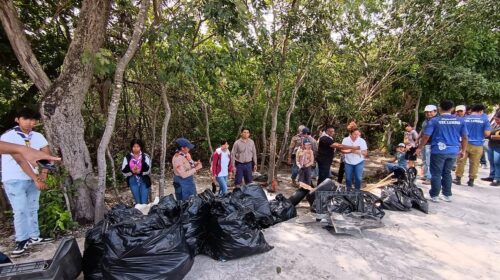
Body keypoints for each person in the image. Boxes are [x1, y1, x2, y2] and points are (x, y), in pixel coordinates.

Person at [1, 108, 54, 255]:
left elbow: (46, 156)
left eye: (33, 120)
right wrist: (36, 178)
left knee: (32, 208)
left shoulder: (37, 136)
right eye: (26, 119)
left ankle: (34, 236)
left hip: (34, 178)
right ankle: (21, 241)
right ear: (17, 119)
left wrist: (43, 175)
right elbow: (20, 160)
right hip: (14, 178)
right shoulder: (8, 137)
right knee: (20, 210)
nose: (31, 122)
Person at [416, 100, 468, 203]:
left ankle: (434, 195)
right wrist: (463, 150)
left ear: (439, 109)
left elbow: (426, 136)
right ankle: (447, 195)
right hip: (453, 151)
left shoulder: (435, 121)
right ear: (452, 109)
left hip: (438, 151)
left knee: (436, 173)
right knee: (447, 173)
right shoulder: (460, 121)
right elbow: (465, 137)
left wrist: (419, 147)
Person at [453, 104, 491, 187]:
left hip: (464, 143)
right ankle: (471, 181)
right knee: (475, 163)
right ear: (481, 111)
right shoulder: (485, 120)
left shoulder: (465, 118)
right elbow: (487, 133)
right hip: (478, 145)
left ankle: (458, 178)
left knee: (461, 161)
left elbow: (459, 131)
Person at [121, 139, 152, 204]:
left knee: (144, 202)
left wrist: (139, 172)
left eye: (138, 146)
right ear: (131, 147)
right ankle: (139, 214)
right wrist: (132, 171)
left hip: (144, 180)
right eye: (134, 147)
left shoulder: (145, 156)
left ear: (140, 147)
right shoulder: (127, 158)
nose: (136, 148)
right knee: (138, 202)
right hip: (133, 181)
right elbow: (123, 172)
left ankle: (145, 214)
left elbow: (148, 170)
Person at [341, 127, 368, 191]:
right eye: (355, 134)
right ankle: (348, 192)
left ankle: (357, 192)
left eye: (358, 134)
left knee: (358, 178)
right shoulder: (345, 140)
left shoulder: (362, 141)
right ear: (350, 134)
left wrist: (359, 152)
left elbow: (365, 153)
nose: (356, 136)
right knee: (348, 178)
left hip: (359, 162)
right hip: (348, 162)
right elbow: (342, 150)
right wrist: (351, 150)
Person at [419, 105, 438, 185]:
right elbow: (423, 131)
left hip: (431, 144)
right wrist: (418, 139)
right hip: (424, 143)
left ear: (435, 112)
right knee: (424, 160)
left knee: (429, 161)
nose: (428, 113)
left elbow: (427, 135)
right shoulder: (426, 121)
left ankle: (430, 178)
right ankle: (426, 175)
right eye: (427, 112)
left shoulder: (436, 121)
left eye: (430, 112)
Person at [482, 112, 500, 186]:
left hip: (498, 146)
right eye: (495, 119)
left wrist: (491, 136)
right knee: (491, 160)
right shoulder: (494, 124)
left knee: (497, 162)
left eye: (498, 119)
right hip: (491, 145)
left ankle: (497, 178)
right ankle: (492, 176)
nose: (496, 121)